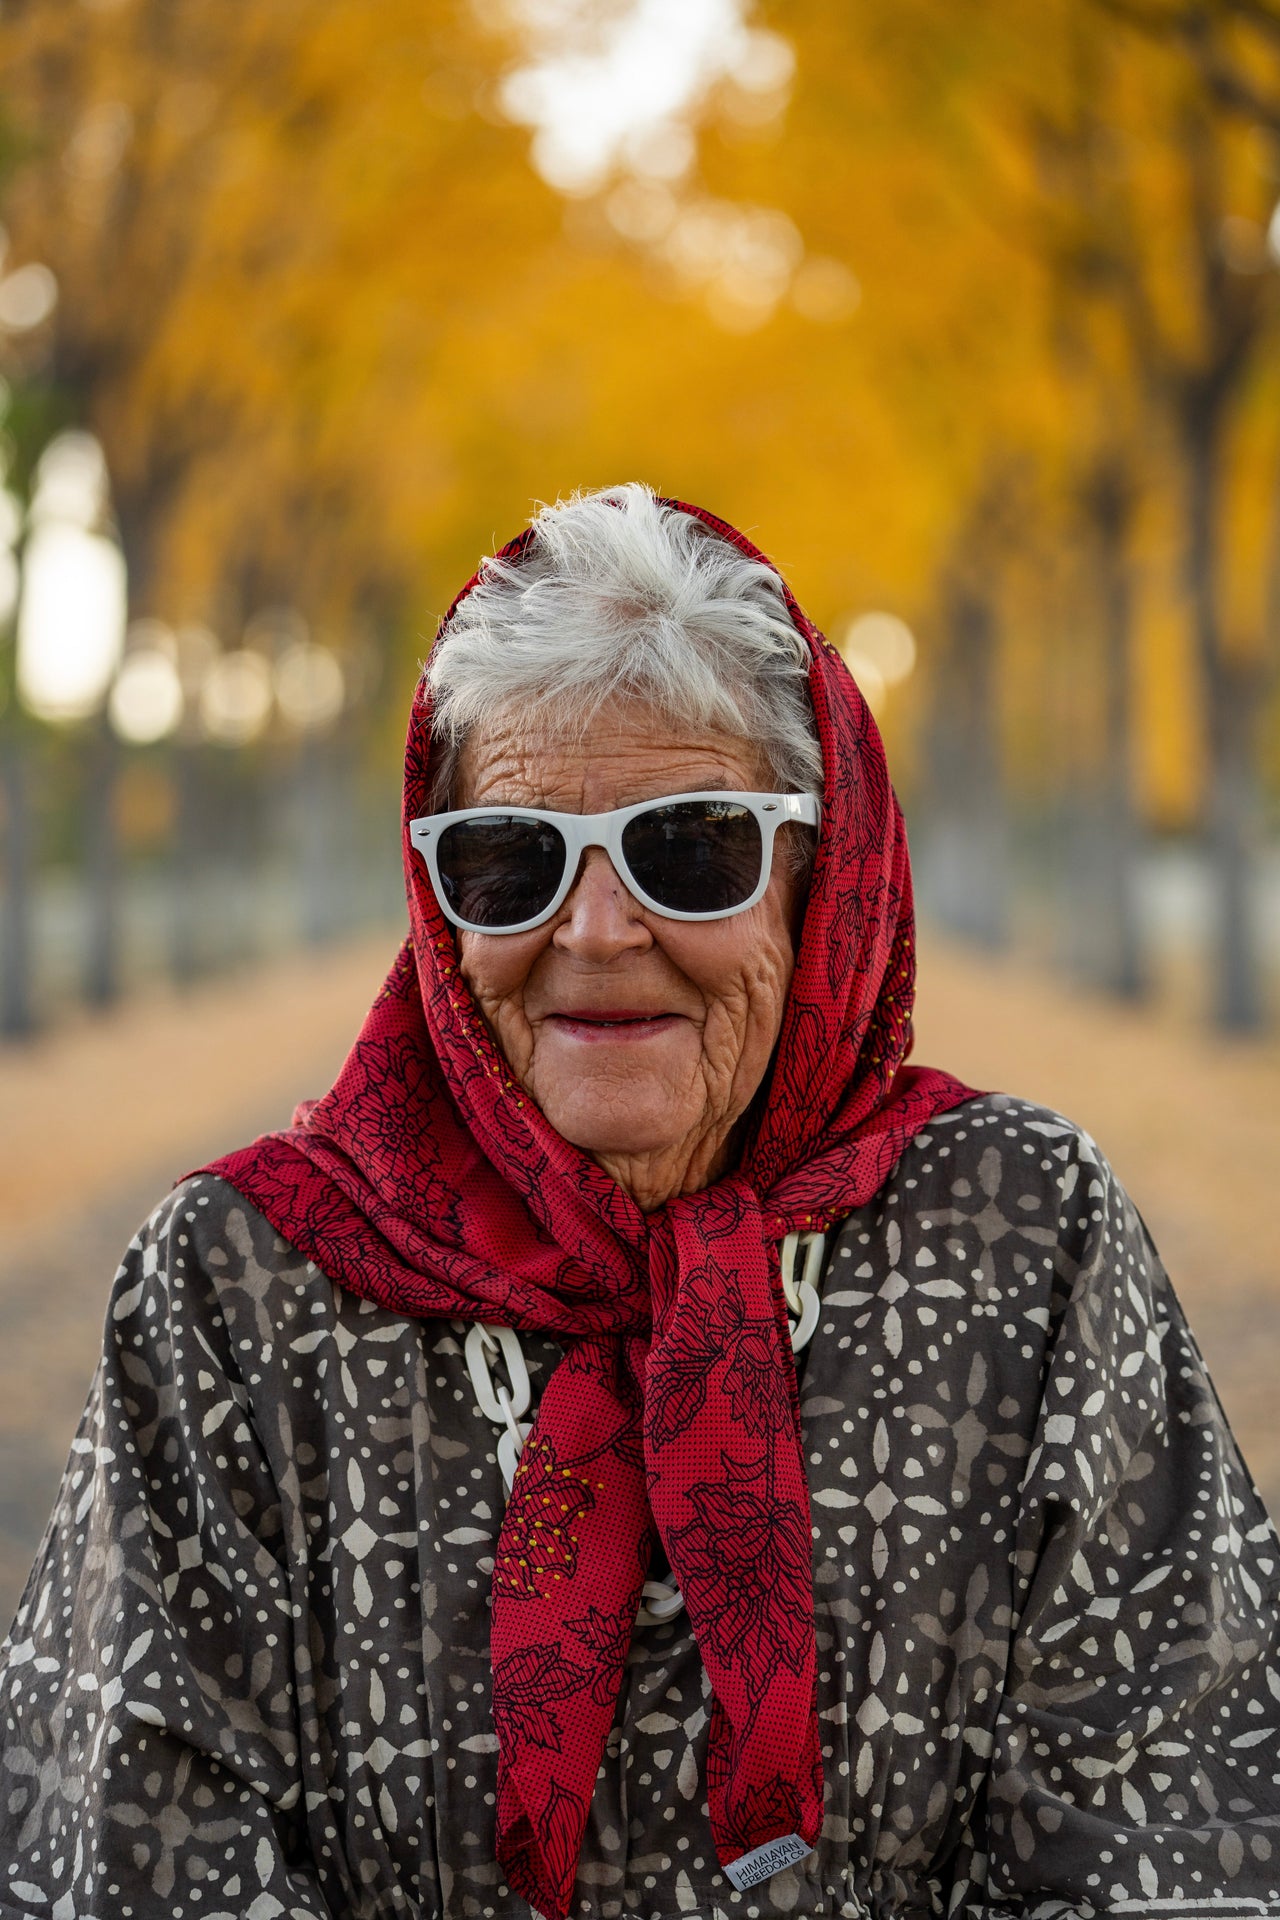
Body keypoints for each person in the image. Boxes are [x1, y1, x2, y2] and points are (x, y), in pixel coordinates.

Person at [1, 483, 1278, 1920]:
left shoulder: (1026, 1235)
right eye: (511, 861)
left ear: (817, 871)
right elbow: (130, 1855)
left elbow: (1173, 1820)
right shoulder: (237, 1284)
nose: (597, 933)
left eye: (691, 849)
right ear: (438, 909)